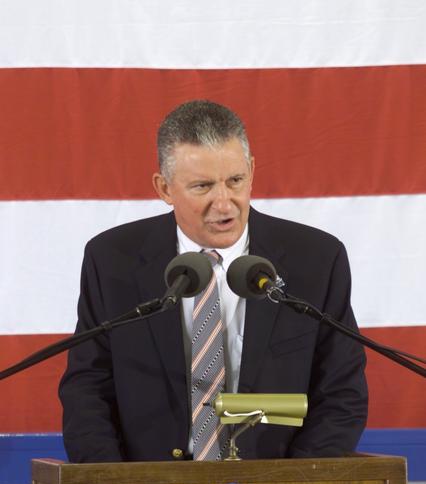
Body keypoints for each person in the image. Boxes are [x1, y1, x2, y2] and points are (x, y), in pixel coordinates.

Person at [59, 100, 368, 463]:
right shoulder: (113, 260)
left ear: (252, 170)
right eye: (203, 187)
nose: (224, 204)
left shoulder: (315, 259)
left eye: (235, 181)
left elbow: (341, 392)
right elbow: (88, 388)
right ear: (164, 188)